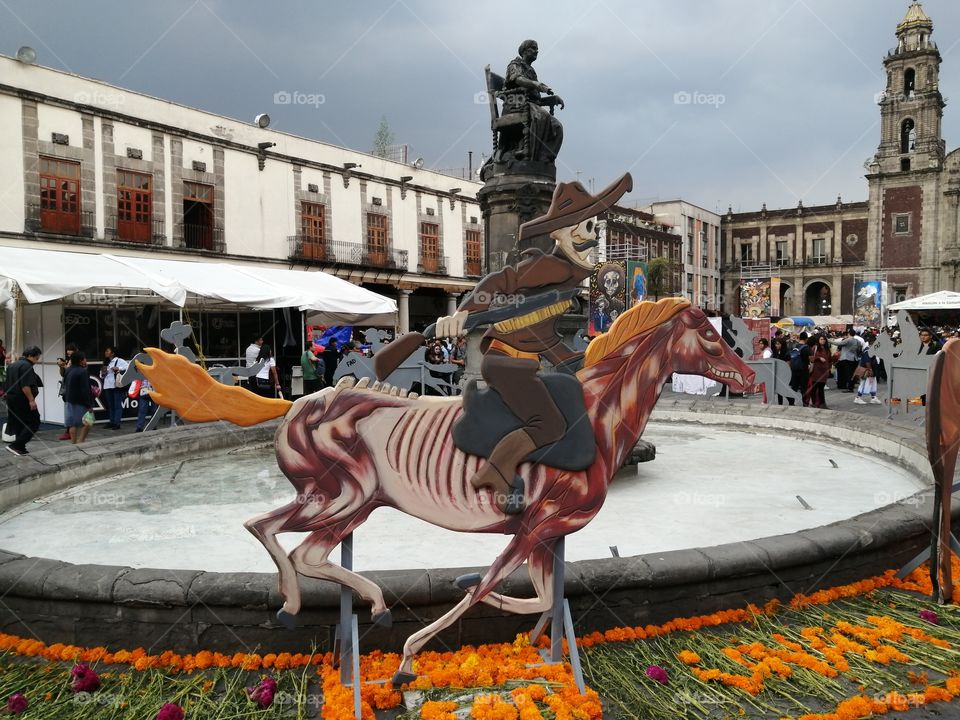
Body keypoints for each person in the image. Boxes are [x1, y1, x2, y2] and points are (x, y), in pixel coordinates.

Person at [434, 172, 632, 513]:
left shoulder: (566, 278)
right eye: (586, 230)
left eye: (594, 229)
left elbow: (541, 334)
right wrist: (464, 312)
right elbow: (500, 279)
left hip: (521, 362)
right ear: (560, 233)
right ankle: (495, 472)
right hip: (507, 363)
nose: (592, 238)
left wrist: (578, 362)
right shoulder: (550, 267)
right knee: (549, 423)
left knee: (566, 393)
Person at [502, 39, 564, 163]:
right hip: (515, 105)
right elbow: (518, 79)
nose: (537, 51)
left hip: (531, 106)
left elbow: (536, 97)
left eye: (537, 48)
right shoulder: (514, 65)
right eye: (533, 48)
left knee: (557, 126)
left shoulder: (530, 70)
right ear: (525, 51)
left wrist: (553, 98)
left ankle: (544, 158)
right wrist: (537, 84)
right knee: (542, 116)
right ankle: (529, 152)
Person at [4, 346, 43, 456]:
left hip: (11, 398)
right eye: (36, 358)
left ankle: (20, 447)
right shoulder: (27, 366)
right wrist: (31, 400)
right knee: (35, 421)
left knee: (19, 423)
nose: (37, 361)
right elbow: (25, 385)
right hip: (22, 399)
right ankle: (16, 445)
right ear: (31, 356)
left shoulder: (12, 365)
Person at [62, 352, 94, 444]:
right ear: (81, 360)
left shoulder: (68, 370)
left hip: (69, 399)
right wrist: (89, 405)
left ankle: (73, 443)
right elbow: (85, 389)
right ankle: (81, 441)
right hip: (80, 401)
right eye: (84, 358)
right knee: (88, 421)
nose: (86, 360)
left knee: (73, 424)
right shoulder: (83, 371)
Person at [100, 346, 129, 429]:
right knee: (110, 405)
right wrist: (103, 373)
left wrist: (118, 368)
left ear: (112, 353)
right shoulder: (106, 362)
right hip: (107, 386)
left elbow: (128, 367)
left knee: (117, 405)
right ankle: (112, 421)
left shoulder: (119, 360)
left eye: (107, 351)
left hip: (116, 385)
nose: (105, 352)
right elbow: (101, 375)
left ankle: (117, 423)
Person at [56, 343, 79, 440]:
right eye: (67, 350)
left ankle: (69, 431)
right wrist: (61, 367)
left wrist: (64, 366)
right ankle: (70, 430)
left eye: (70, 350)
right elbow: (63, 374)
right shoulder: (69, 361)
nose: (68, 352)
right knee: (69, 410)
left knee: (71, 410)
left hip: (74, 389)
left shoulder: (77, 361)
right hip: (67, 388)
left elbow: (72, 372)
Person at [853, 334, 882, 405]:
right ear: (871, 342)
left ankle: (873, 397)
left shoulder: (872, 349)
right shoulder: (867, 350)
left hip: (872, 369)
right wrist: (870, 370)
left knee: (873, 383)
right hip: (867, 370)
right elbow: (867, 361)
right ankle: (858, 398)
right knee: (863, 383)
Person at [805, 334, 832, 409]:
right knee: (814, 387)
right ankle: (814, 403)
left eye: (824, 339)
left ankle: (822, 403)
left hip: (824, 371)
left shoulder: (827, 349)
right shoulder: (815, 348)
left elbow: (829, 359)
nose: (822, 341)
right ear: (818, 340)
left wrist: (829, 368)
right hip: (816, 371)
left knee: (821, 388)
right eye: (821, 339)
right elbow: (811, 358)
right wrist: (819, 358)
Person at [789, 331, 811, 406]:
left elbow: (789, 356)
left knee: (794, 387)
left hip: (794, 369)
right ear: (806, 339)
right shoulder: (807, 347)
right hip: (803, 370)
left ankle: (791, 403)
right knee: (804, 388)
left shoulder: (794, 346)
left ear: (800, 338)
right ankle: (805, 403)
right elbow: (811, 359)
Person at [771, 337, 793, 406]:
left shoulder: (786, 353)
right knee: (779, 391)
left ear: (782, 344)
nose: (776, 345)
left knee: (783, 390)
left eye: (778, 344)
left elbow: (788, 365)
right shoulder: (775, 353)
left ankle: (791, 400)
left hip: (784, 375)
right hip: (777, 374)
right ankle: (780, 404)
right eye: (776, 344)